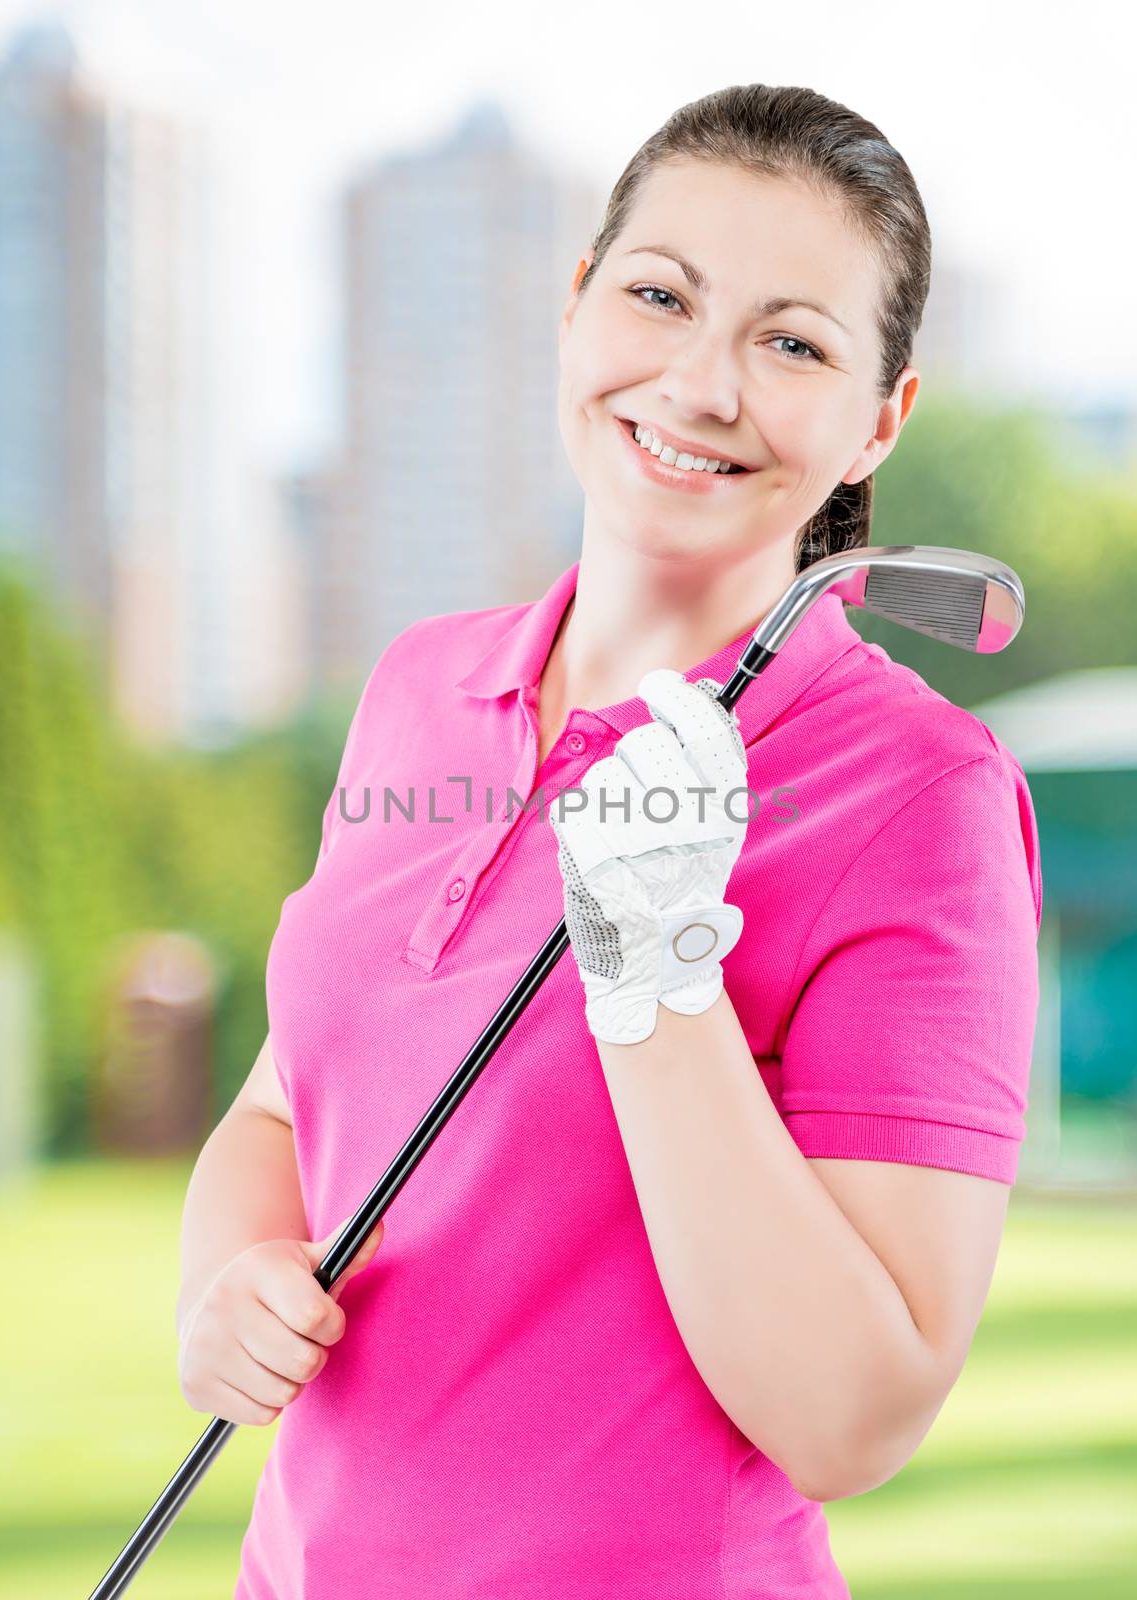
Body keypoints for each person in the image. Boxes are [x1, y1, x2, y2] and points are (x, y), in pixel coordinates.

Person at [176, 84, 1042, 1599]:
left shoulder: (920, 793)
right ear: (577, 309)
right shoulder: (417, 687)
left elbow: (855, 1412)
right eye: (659, 297)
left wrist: (654, 980)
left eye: (793, 342)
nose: (702, 385)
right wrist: (231, 1276)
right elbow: (282, 1109)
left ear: (878, 420)